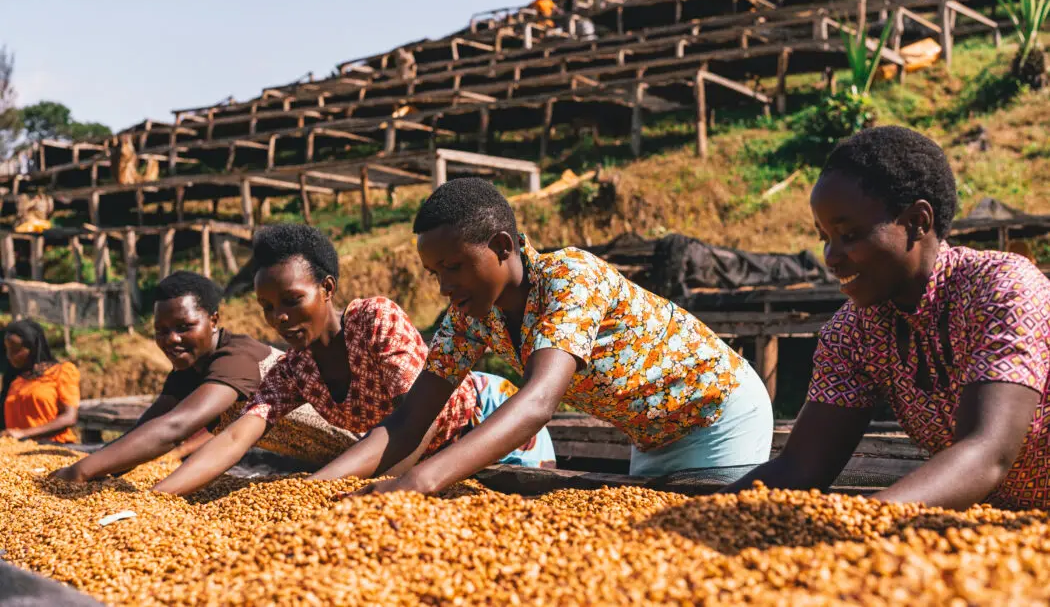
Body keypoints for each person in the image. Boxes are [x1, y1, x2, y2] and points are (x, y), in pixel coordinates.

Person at [317, 178, 772, 496]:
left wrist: (418, 481)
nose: (443, 286)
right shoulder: (468, 318)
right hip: (651, 437)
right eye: (435, 273)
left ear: (501, 247)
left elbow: (537, 404)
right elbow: (408, 421)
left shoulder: (569, 277)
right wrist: (316, 488)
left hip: (716, 416)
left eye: (453, 267)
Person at [723, 126, 1050, 511]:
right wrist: (687, 516)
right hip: (1002, 536)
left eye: (849, 234)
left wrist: (865, 519)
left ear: (917, 221)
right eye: (824, 237)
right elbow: (800, 467)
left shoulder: (1003, 290)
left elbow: (986, 452)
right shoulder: (855, 332)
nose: (830, 256)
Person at [152, 224, 554, 496]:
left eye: (292, 301)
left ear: (327, 289)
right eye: (268, 307)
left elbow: (419, 421)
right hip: (424, 460)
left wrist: (320, 491)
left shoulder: (374, 320)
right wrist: (161, 495)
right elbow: (237, 436)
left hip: (489, 423)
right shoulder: (294, 369)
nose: (280, 318)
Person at [49, 272, 281, 483]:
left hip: (311, 465)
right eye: (161, 330)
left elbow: (175, 428)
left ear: (213, 321)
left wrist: (82, 471)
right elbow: (150, 425)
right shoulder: (189, 370)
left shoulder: (236, 358)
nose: (171, 339)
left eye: (184, 327)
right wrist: (98, 470)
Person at [1, 320, 80, 443]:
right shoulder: (14, 379)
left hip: (53, 448)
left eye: (16, 350)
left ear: (32, 348)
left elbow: (69, 417)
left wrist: (24, 434)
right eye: (7, 350)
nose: (9, 356)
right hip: (17, 452)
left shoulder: (61, 372)